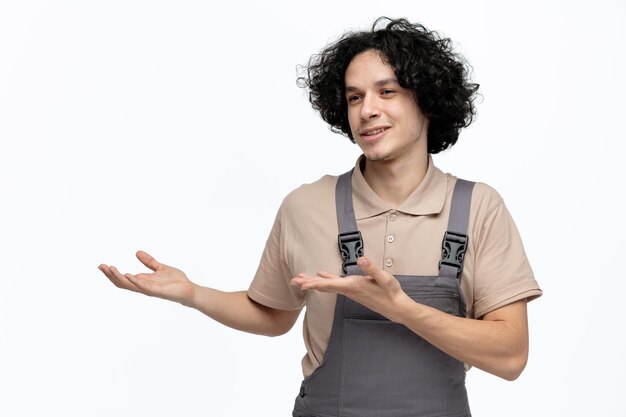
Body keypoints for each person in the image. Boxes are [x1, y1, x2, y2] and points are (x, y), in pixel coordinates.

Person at [99, 17, 542, 417]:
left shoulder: (478, 208)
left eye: (386, 91)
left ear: (426, 100)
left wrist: (403, 309)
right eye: (354, 97)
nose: (367, 110)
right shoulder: (306, 206)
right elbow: (273, 314)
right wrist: (193, 293)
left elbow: (510, 356)